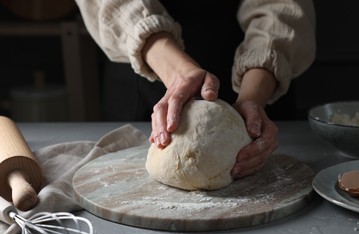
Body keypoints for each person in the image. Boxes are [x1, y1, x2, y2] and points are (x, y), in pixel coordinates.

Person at [74, 0, 316, 179]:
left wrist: (253, 99)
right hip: (143, 64)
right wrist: (179, 72)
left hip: (257, 71)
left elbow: (282, 7)